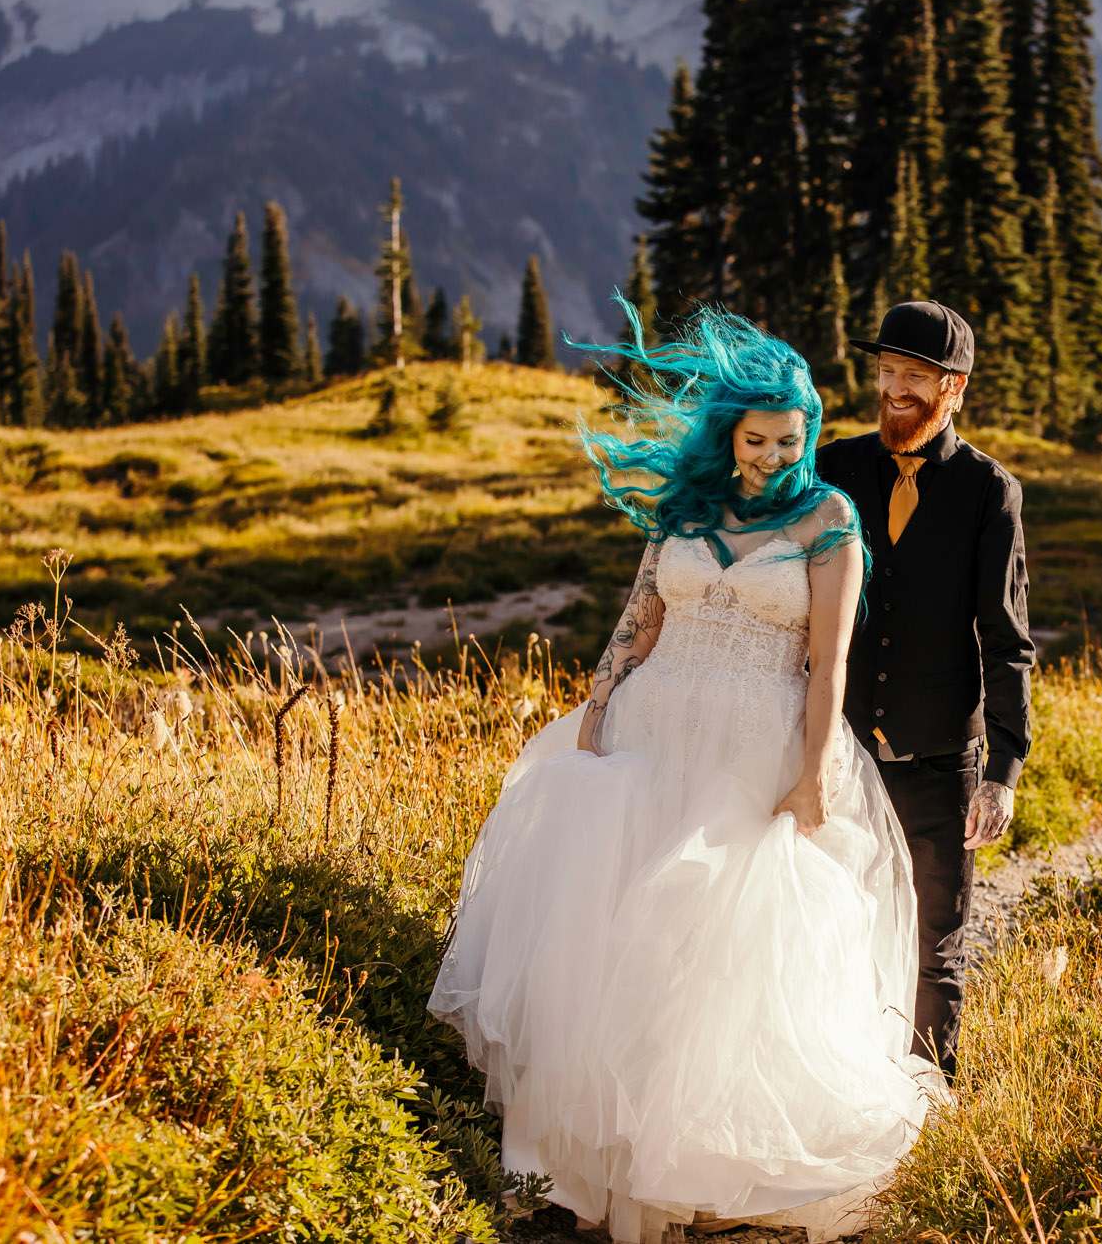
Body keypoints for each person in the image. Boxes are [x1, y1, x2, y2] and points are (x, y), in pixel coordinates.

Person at [429, 307, 942, 1244]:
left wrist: (815, 771)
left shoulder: (831, 519)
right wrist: (595, 702)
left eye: (793, 438)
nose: (775, 455)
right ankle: (583, 1162)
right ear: (728, 435)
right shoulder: (687, 509)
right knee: (605, 939)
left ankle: (683, 1167)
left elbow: (827, 663)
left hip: (752, 749)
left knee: (705, 949)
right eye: (757, 439)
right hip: (651, 733)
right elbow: (639, 617)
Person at [814, 300, 1035, 1081]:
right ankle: (841, 1092)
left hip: (942, 762)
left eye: (917, 375)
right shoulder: (831, 466)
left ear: (955, 389)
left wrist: (1004, 771)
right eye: (888, 371)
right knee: (827, 927)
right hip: (836, 754)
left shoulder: (987, 491)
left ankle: (927, 1108)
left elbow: (1007, 638)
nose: (897, 387)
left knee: (934, 942)